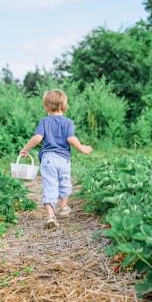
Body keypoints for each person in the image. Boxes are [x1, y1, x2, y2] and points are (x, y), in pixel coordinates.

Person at [19, 89, 92, 228]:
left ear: (46, 107)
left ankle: (50, 216)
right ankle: (64, 207)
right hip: (63, 159)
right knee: (65, 182)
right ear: (65, 106)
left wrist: (26, 148)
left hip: (48, 159)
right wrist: (82, 148)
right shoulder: (68, 122)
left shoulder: (44, 121)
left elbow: (37, 138)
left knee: (49, 186)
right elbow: (71, 138)